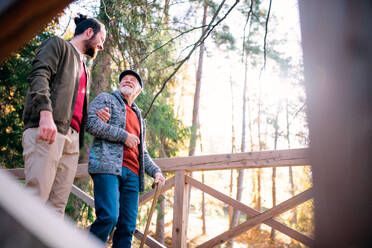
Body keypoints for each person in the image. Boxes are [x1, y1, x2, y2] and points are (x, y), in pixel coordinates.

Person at [22, 14, 107, 216]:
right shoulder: (57, 45)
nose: (101, 46)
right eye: (101, 39)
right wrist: (45, 114)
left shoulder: (84, 67)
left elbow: (70, 102)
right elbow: (38, 75)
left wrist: (95, 113)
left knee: (56, 209)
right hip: (48, 130)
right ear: (89, 32)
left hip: (72, 141)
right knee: (35, 199)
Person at [86, 70, 166, 247]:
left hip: (132, 176)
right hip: (107, 168)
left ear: (138, 90)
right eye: (125, 79)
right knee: (109, 217)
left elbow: (141, 151)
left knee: (127, 226)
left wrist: (156, 172)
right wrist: (124, 136)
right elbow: (91, 123)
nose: (128, 81)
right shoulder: (107, 99)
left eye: (133, 81)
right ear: (119, 84)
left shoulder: (139, 117)